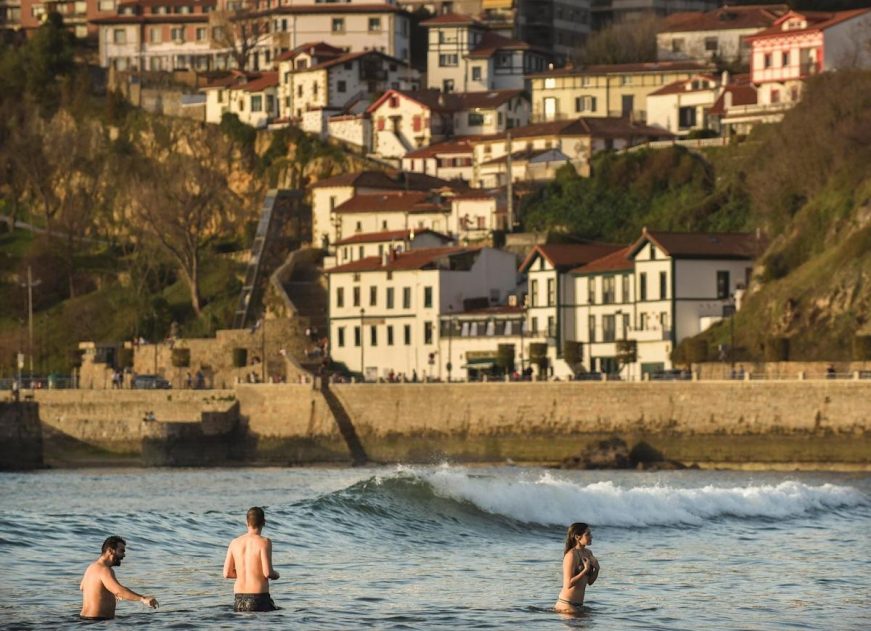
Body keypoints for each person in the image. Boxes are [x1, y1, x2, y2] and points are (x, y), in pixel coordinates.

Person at [79, 536, 159, 621]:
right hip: (97, 622)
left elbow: (82, 587)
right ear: (110, 551)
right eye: (121, 551)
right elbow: (119, 591)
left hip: (84, 620)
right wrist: (143, 598)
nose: (124, 555)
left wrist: (109, 593)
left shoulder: (91, 568)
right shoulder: (104, 570)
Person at [223, 507, 280, 612]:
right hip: (259, 599)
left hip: (238, 600)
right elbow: (267, 573)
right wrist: (276, 575)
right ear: (264, 522)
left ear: (247, 522)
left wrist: (244, 574)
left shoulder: (234, 543)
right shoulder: (264, 542)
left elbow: (226, 573)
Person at [554, 522, 599, 615]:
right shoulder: (571, 555)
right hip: (566, 605)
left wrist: (597, 569)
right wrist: (585, 570)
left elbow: (590, 582)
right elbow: (568, 584)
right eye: (588, 534)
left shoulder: (588, 553)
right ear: (577, 537)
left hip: (579, 606)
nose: (591, 536)